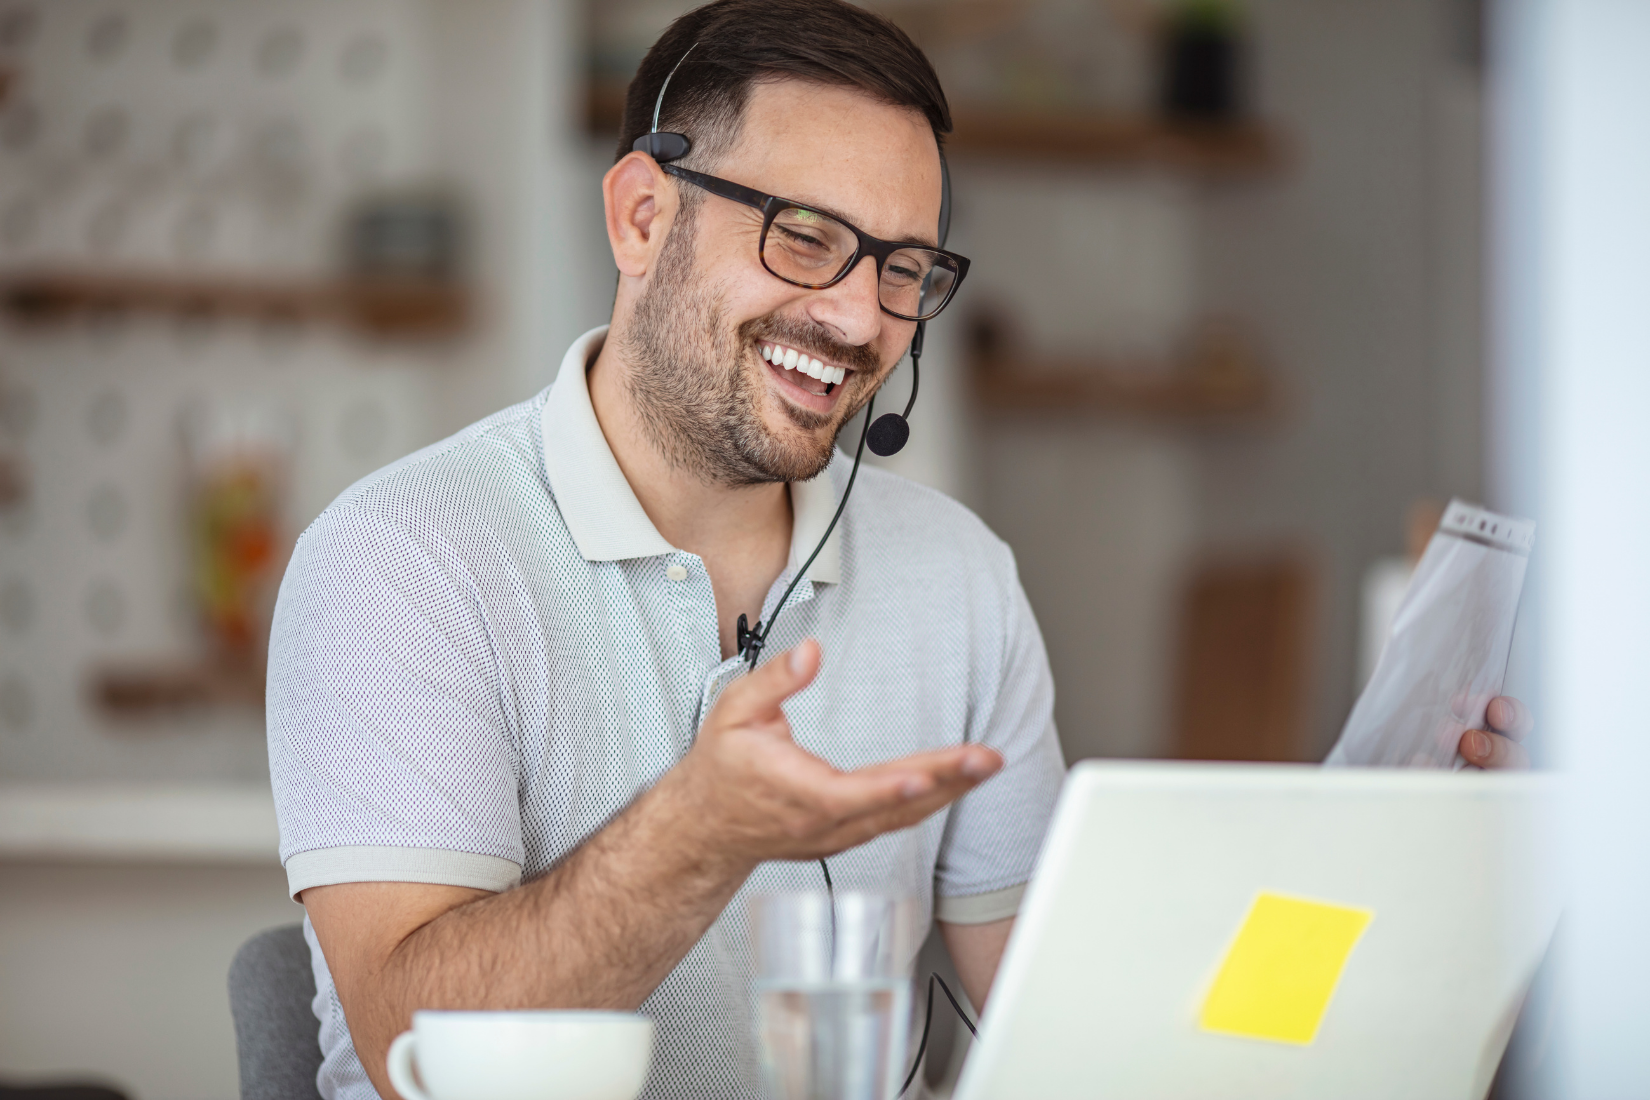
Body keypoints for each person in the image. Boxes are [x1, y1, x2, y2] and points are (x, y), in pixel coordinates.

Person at [268, 2, 1532, 1097]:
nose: (858, 316)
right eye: (805, 237)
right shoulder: (404, 556)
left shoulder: (958, 575)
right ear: (644, 216)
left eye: (904, 267)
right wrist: (697, 833)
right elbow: (409, 1047)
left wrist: (1399, 871)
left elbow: (1085, 1032)